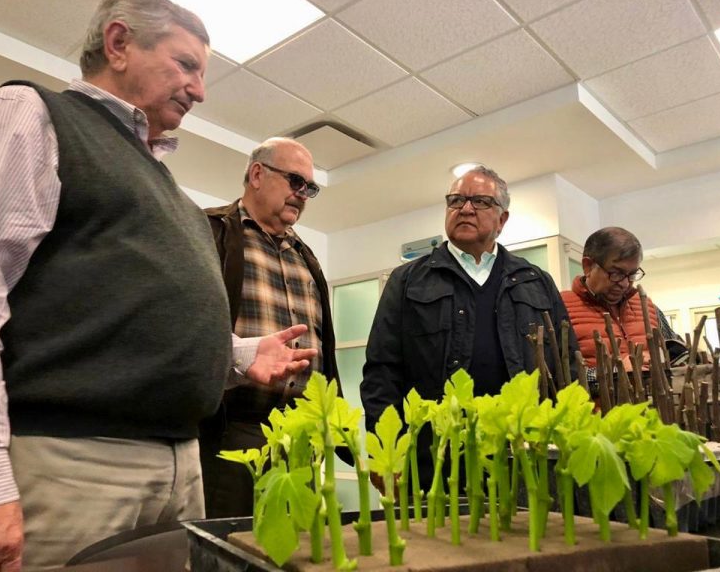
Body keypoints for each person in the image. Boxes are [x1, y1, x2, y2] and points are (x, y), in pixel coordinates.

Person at [0, 0, 316, 570]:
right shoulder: (31, 113)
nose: (200, 90)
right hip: (76, 463)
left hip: (181, 465)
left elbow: (118, 322)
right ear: (118, 44)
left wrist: (236, 356)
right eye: (187, 65)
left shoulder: (169, 190)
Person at [360, 165, 577, 492]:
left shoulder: (536, 281)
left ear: (502, 219)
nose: (464, 208)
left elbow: (566, 366)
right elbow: (382, 371)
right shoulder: (407, 281)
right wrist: (385, 448)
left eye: (480, 202)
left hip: (522, 455)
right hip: (433, 459)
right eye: (456, 200)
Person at [199, 137, 342, 518]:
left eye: (310, 188)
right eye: (296, 181)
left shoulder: (305, 256)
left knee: (295, 554)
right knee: (232, 553)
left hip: (300, 436)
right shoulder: (208, 232)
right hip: (232, 432)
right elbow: (187, 329)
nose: (303, 194)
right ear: (257, 174)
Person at [560, 227, 660, 386]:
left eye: (632, 275)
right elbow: (558, 377)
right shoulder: (561, 308)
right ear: (588, 266)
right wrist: (614, 371)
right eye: (616, 273)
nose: (625, 283)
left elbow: (672, 351)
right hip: (597, 410)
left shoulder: (646, 306)